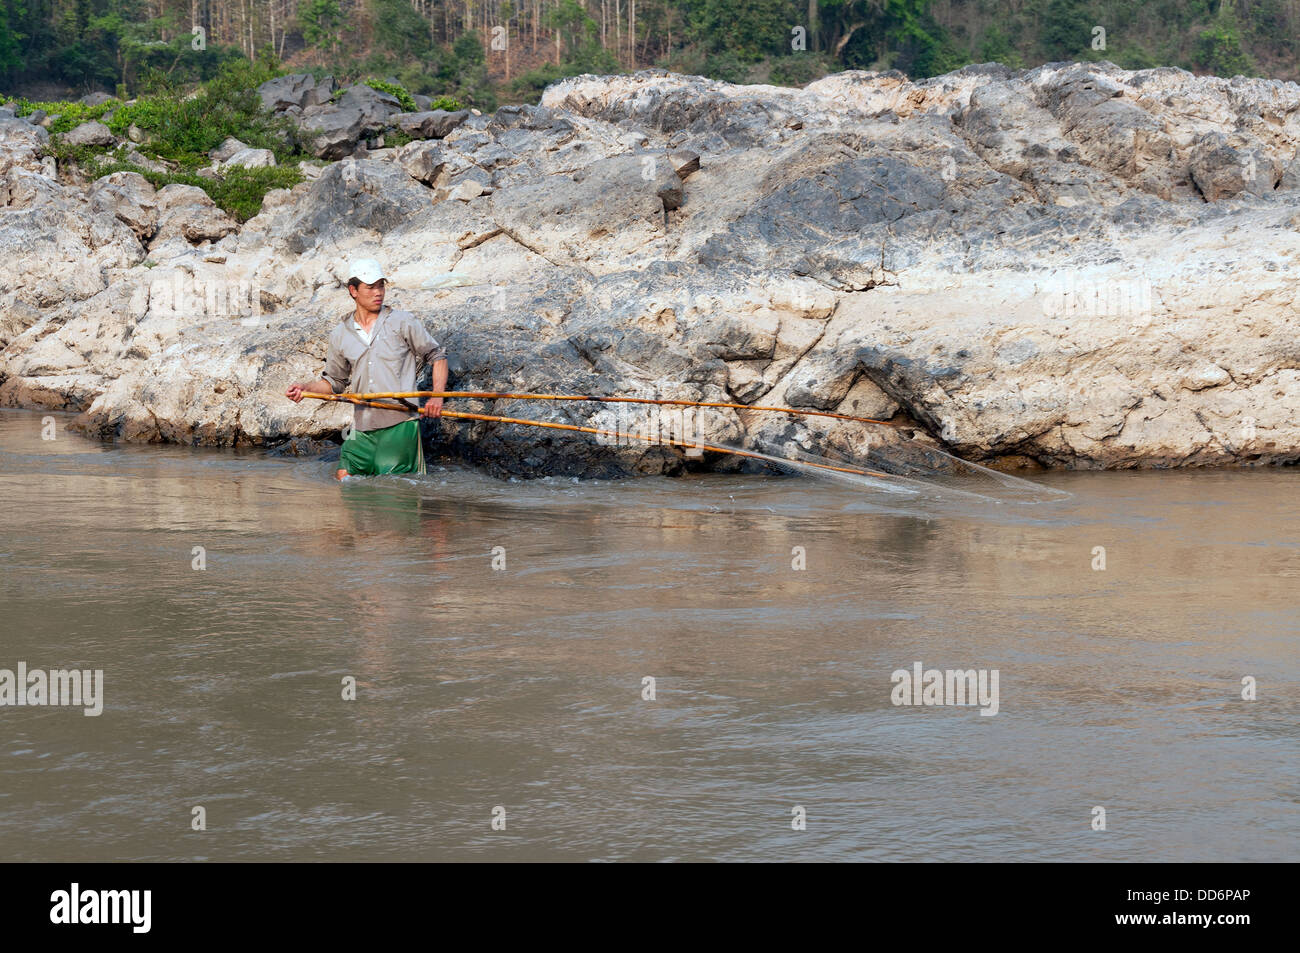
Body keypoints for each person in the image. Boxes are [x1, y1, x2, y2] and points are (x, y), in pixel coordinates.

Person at [285, 259, 448, 479]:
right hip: (361, 428)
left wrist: (437, 397)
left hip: (399, 424)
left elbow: (437, 356)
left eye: (381, 285)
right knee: (343, 476)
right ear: (353, 291)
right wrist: (305, 388)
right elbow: (334, 383)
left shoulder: (402, 322)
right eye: (370, 287)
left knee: (394, 492)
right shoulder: (340, 334)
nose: (378, 292)